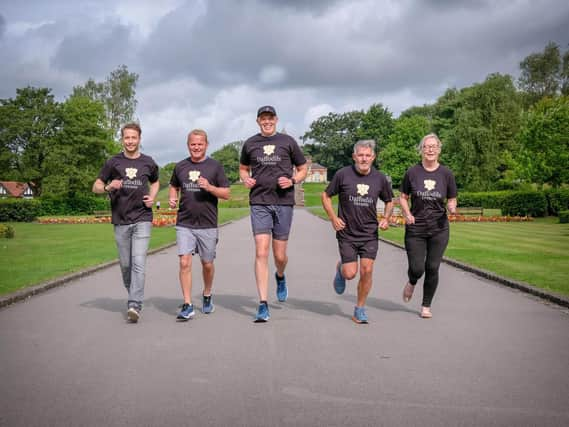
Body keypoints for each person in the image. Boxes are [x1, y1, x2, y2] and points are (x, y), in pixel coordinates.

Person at [239, 105, 308, 322]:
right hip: (259, 201)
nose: (267, 122)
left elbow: (303, 167)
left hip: (283, 202)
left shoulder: (287, 142)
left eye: (270, 118)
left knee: (279, 256)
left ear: (276, 119)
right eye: (263, 119)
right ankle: (262, 303)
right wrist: (245, 178)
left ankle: (280, 276)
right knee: (261, 252)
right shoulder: (250, 143)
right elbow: (242, 168)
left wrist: (293, 180)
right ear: (258, 121)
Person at [92, 122, 159, 323]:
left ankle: (134, 304)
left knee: (138, 262)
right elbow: (96, 186)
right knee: (126, 265)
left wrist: (152, 197)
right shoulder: (113, 162)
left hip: (143, 218)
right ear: (122, 139)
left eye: (134, 137)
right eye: (126, 138)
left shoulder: (149, 162)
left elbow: (155, 182)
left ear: (139, 139)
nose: (130, 141)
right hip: (120, 220)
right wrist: (107, 187)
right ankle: (134, 294)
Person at [322, 140, 394, 324]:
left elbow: (389, 200)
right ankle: (340, 268)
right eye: (360, 155)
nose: (364, 159)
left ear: (373, 157)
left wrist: (385, 218)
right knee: (350, 273)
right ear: (354, 156)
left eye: (367, 155)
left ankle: (359, 308)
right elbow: (326, 196)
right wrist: (333, 218)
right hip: (347, 233)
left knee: (367, 270)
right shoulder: (343, 175)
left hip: (369, 233)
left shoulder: (380, 179)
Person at [169, 129, 230, 320]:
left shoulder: (215, 166)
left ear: (206, 145)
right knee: (184, 261)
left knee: (207, 263)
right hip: (185, 223)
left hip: (208, 224)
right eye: (193, 144)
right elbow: (173, 185)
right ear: (188, 145)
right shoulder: (180, 167)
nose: (196, 147)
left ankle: (207, 294)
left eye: (200, 144)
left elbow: (226, 194)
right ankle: (187, 304)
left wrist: (210, 187)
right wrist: (172, 197)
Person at [399, 133, 457, 319]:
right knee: (417, 268)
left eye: (434, 146)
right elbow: (403, 197)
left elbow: (452, 197)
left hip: (439, 228)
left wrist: (452, 206)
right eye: (426, 146)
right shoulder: (412, 172)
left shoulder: (446, 174)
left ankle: (426, 305)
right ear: (421, 150)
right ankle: (412, 280)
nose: (430, 149)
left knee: (432, 267)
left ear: (439, 149)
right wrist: (407, 214)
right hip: (416, 229)